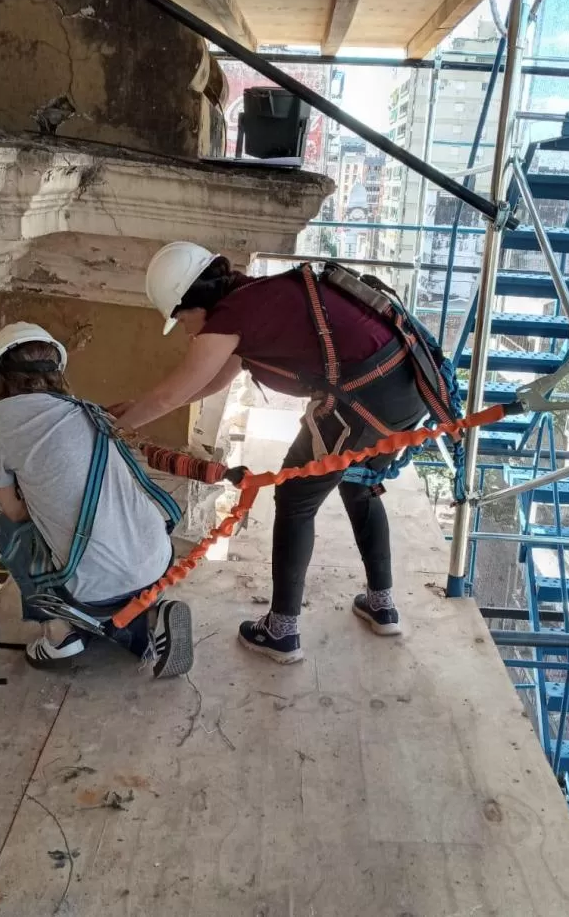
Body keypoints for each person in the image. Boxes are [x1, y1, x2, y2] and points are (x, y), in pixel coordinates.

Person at [112, 242, 441, 665]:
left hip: (361, 401)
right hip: (404, 389)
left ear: (192, 300)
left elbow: (172, 394)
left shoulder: (230, 318)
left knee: (295, 500)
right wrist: (131, 409)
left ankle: (281, 632)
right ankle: (382, 605)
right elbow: (208, 383)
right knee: (360, 487)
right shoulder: (254, 298)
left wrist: (116, 426)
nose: (185, 331)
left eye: (180, 318)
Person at [0, 321, 194, 678]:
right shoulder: (87, 409)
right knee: (106, 553)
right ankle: (152, 616)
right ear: (57, 371)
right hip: (158, 556)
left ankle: (60, 633)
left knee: (7, 529)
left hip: (97, 583)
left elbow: (14, 512)